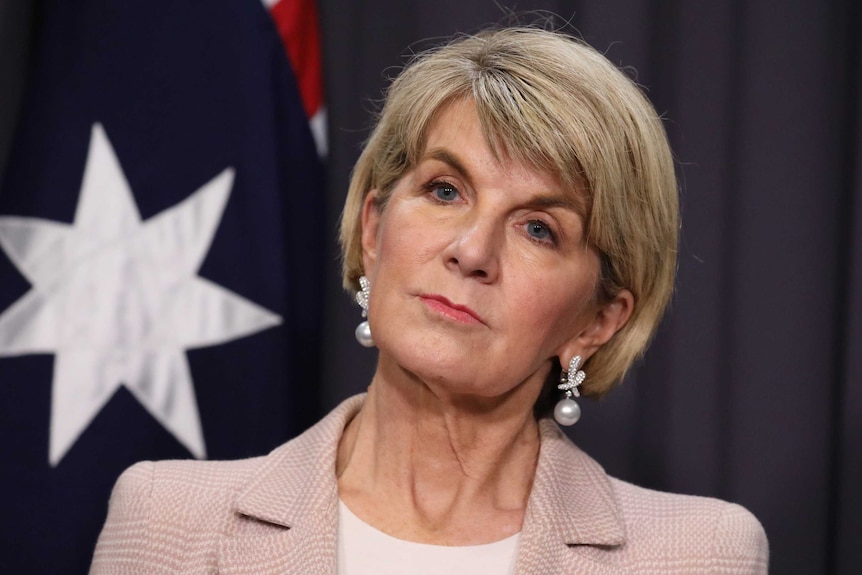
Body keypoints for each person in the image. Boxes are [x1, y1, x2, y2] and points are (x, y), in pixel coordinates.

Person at [90, 26, 768, 574]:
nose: (472, 250)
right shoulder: (167, 522)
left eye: (539, 228)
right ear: (374, 227)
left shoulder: (697, 555)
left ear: (597, 320)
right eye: (446, 189)